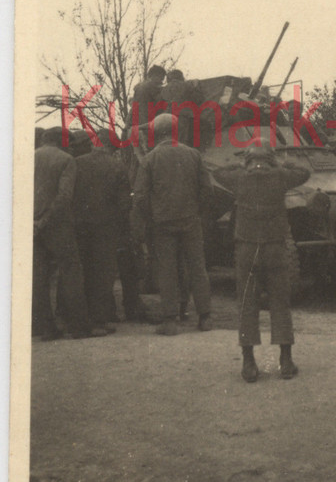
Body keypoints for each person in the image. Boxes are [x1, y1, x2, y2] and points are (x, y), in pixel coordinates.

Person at [213, 144, 310, 383]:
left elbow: (217, 172)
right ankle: (285, 362)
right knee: (280, 303)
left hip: (247, 249)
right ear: (270, 158)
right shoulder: (280, 176)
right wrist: (280, 163)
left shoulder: (239, 178)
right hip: (275, 247)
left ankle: (249, 364)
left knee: (247, 304)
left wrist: (243, 163)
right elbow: (305, 171)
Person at [131, 113, 213, 335]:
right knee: (197, 267)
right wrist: (197, 211)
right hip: (190, 220)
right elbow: (207, 188)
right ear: (176, 131)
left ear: (156, 133)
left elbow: (140, 196)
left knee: (166, 270)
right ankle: (205, 318)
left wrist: (152, 217)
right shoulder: (193, 155)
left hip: (162, 223)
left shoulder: (150, 159)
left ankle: (170, 320)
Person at [33, 127, 91, 339]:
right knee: (71, 273)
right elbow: (64, 197)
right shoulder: (66, 160)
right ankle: (79, 327)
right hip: (57, 225)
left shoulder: (29, 157)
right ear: (62, 141)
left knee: (38, 277)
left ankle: (45, 329)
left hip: (32, 225)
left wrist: (34, 221)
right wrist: (46, 219)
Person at [74, 128, 132, 334]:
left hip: (79, 227)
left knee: (82, 272)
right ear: (111, 147)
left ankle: (79, 319)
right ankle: (99, 321)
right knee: (102, 274)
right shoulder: (118, 167)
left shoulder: (77, 163)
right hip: (106, 229)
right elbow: (125, 204)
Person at [161, 69, 204, 146]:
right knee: (181, 141)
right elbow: (198, 99)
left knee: (169, 140)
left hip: (167, 117)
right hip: (182, 116)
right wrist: (196, 87)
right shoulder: (186, 85)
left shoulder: (165, 88)